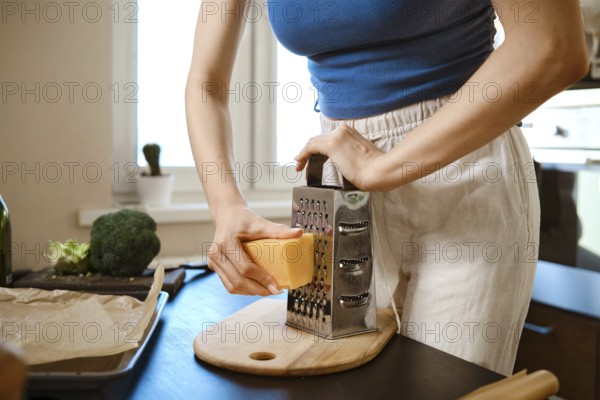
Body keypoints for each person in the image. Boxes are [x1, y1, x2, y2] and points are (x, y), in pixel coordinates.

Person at [185, 0, 588, 376]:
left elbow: (552, 45)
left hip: (464, 179)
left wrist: (387, 166)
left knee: (443, 387)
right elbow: (206, 82)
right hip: (342, 190)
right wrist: (225, 208)